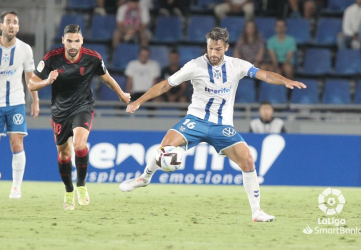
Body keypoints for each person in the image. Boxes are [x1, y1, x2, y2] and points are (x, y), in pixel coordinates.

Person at [120, 27, 306, 222]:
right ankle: (144, 178)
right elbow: (166, 85)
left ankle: (256, 212)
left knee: (248, 160)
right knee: (164, 148)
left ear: (226, 47)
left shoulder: (237, 65)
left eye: (218, 49)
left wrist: (285, 80)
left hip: (222, 126)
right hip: (196, 120)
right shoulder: (194, 66)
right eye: (210, 48)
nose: (213, 53)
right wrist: (138, 101)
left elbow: (265, 75)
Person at [28, 24, 130, 210]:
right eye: (69, 41)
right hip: (60, 111)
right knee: (64, 153)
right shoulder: (52, 58)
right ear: (63, 41)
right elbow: (31, 84)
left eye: (76, 41)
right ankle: (68, 191)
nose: (73, 45)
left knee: (79, 144)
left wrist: (121, 94)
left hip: (83, 106)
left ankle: (81, 186)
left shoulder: (93, 58)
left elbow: (106, 77)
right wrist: (47, 81)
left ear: (81, 40)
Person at [0, 11, 39, 199]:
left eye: (15, 22)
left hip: (16, 103)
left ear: (18, 27)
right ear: (1, 26)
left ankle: (16, 186)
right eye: (8, 22)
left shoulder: (25, 49)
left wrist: (35, 100)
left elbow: (30, 77)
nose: (12, 25)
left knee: (16, 144)